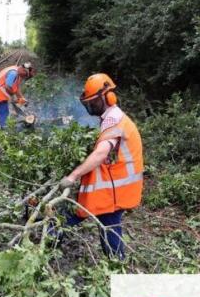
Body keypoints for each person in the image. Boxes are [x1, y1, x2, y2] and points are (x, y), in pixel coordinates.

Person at [59, 73, 144, 259]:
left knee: (101, 219)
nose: (90, 106)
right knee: (95, 217)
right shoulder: (112, 117)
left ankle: (116, 263)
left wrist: (72, 176)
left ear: (107, 97)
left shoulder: (114, 120)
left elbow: (101, 153)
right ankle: (114, 261)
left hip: (116, 188)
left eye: (93, 101)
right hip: (113, 184)